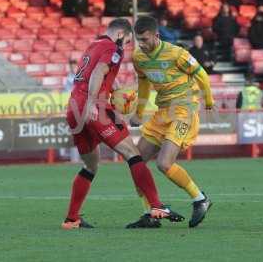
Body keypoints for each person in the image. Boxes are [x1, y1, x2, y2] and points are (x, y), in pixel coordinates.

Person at [62, 18, 184, 230]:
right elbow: (100, 72)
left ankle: (71, 219)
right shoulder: (113, 48)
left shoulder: (93, 46)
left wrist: (115, 106)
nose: (126, 46)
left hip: (74, 108)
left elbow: (103, 76)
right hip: (93, 107)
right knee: (133, 154)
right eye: (127, 41)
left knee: (90, 166)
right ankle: (156, 206)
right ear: (120, 34)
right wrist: (93, 102)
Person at [130, 16, 214, 228]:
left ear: (156, 36)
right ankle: (150, 213)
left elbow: (202, 75)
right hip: (163, 111)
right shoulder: (139, 57)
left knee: (164, 163)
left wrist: (209, 101)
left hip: (184, 109)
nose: (141, 43)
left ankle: (200, 199)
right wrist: (139, 112)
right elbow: (144, 85)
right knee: (136, 162)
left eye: (145, 39)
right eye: (138, 39)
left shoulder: (177, 53)